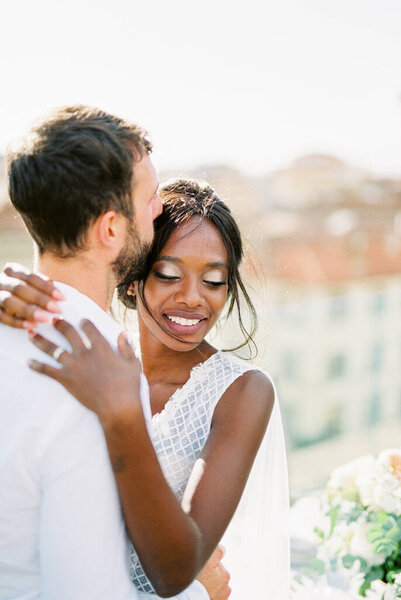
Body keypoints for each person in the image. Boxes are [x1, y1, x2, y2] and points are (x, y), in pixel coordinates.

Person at [0, 179, 290, 598]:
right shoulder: (94, 355)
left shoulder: (242, 392)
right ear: (134, 280)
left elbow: (172, 571)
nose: (193, 298)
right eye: (169, 274)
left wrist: (122, 412)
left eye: (214, 281)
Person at [0, 106, 230, 600]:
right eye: (149, 199)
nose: (157, 211)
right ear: (109, 230)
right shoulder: (97, 376)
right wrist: (201, 594)